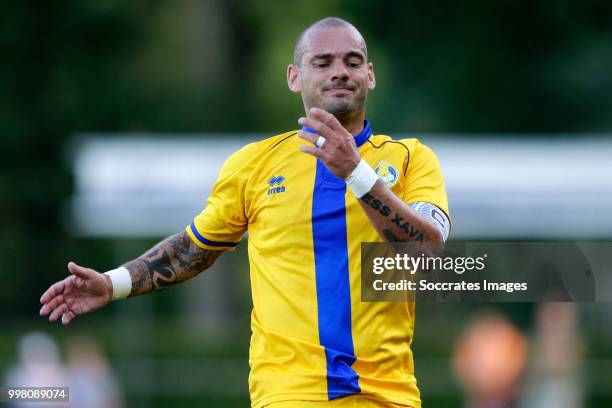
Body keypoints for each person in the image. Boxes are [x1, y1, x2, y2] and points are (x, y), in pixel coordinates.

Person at [40, 17, 450, 408]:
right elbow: (192, 248)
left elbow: (428, 258)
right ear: (294, 77)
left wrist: (357, 174)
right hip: (288, 395)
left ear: (371, 76)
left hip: (388, 396)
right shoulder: (254, 165)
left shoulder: (412, 158)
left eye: (352, 61)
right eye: (322, 62)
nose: (339, 71)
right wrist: (113, 283)